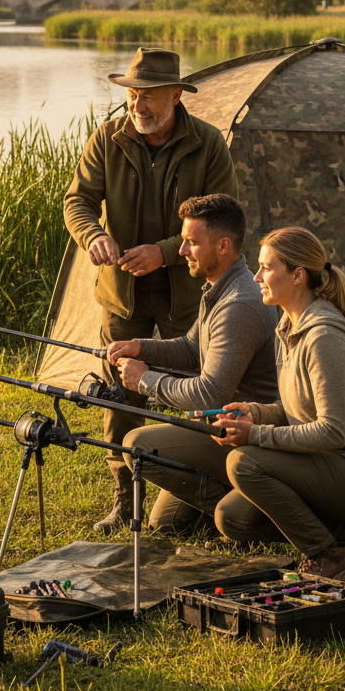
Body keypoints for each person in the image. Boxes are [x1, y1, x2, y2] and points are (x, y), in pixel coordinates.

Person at [123, 226, 345, 579]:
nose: (256, 276)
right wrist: (258, 412)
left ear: (297, 276)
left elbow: (333, 431)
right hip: (320, 459)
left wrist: (255, 434)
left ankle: (329, 552)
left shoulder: (322, 337)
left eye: (267, 268)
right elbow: (299, 406)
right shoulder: (289, 325)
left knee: (243, 462)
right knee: (232, 518)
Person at [64, 47, 237, 534]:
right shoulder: (109, 137)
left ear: (177, 95)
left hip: (190, 292)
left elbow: (223, 214)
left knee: (204, 391)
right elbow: (77, 200)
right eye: (133, 94)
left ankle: (207, 491)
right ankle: (125, 500)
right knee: (121, 398)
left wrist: (164, 251)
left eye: (150, 96)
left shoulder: (208, 144)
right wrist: (93, 235)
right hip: (122, 294)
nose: (138, 105)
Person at [106, 193, 279, 535]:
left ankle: (260, 511)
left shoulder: (238, 305)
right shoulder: (220, 286)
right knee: (165, 523)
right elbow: (190, 348)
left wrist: (145, 381)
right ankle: (235, 502)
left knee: (136, 444)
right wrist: (142, 347)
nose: (182, 251)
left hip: (250, 436)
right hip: (224, 427)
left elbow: (209, 393)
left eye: (191, 243)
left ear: (223, 246)